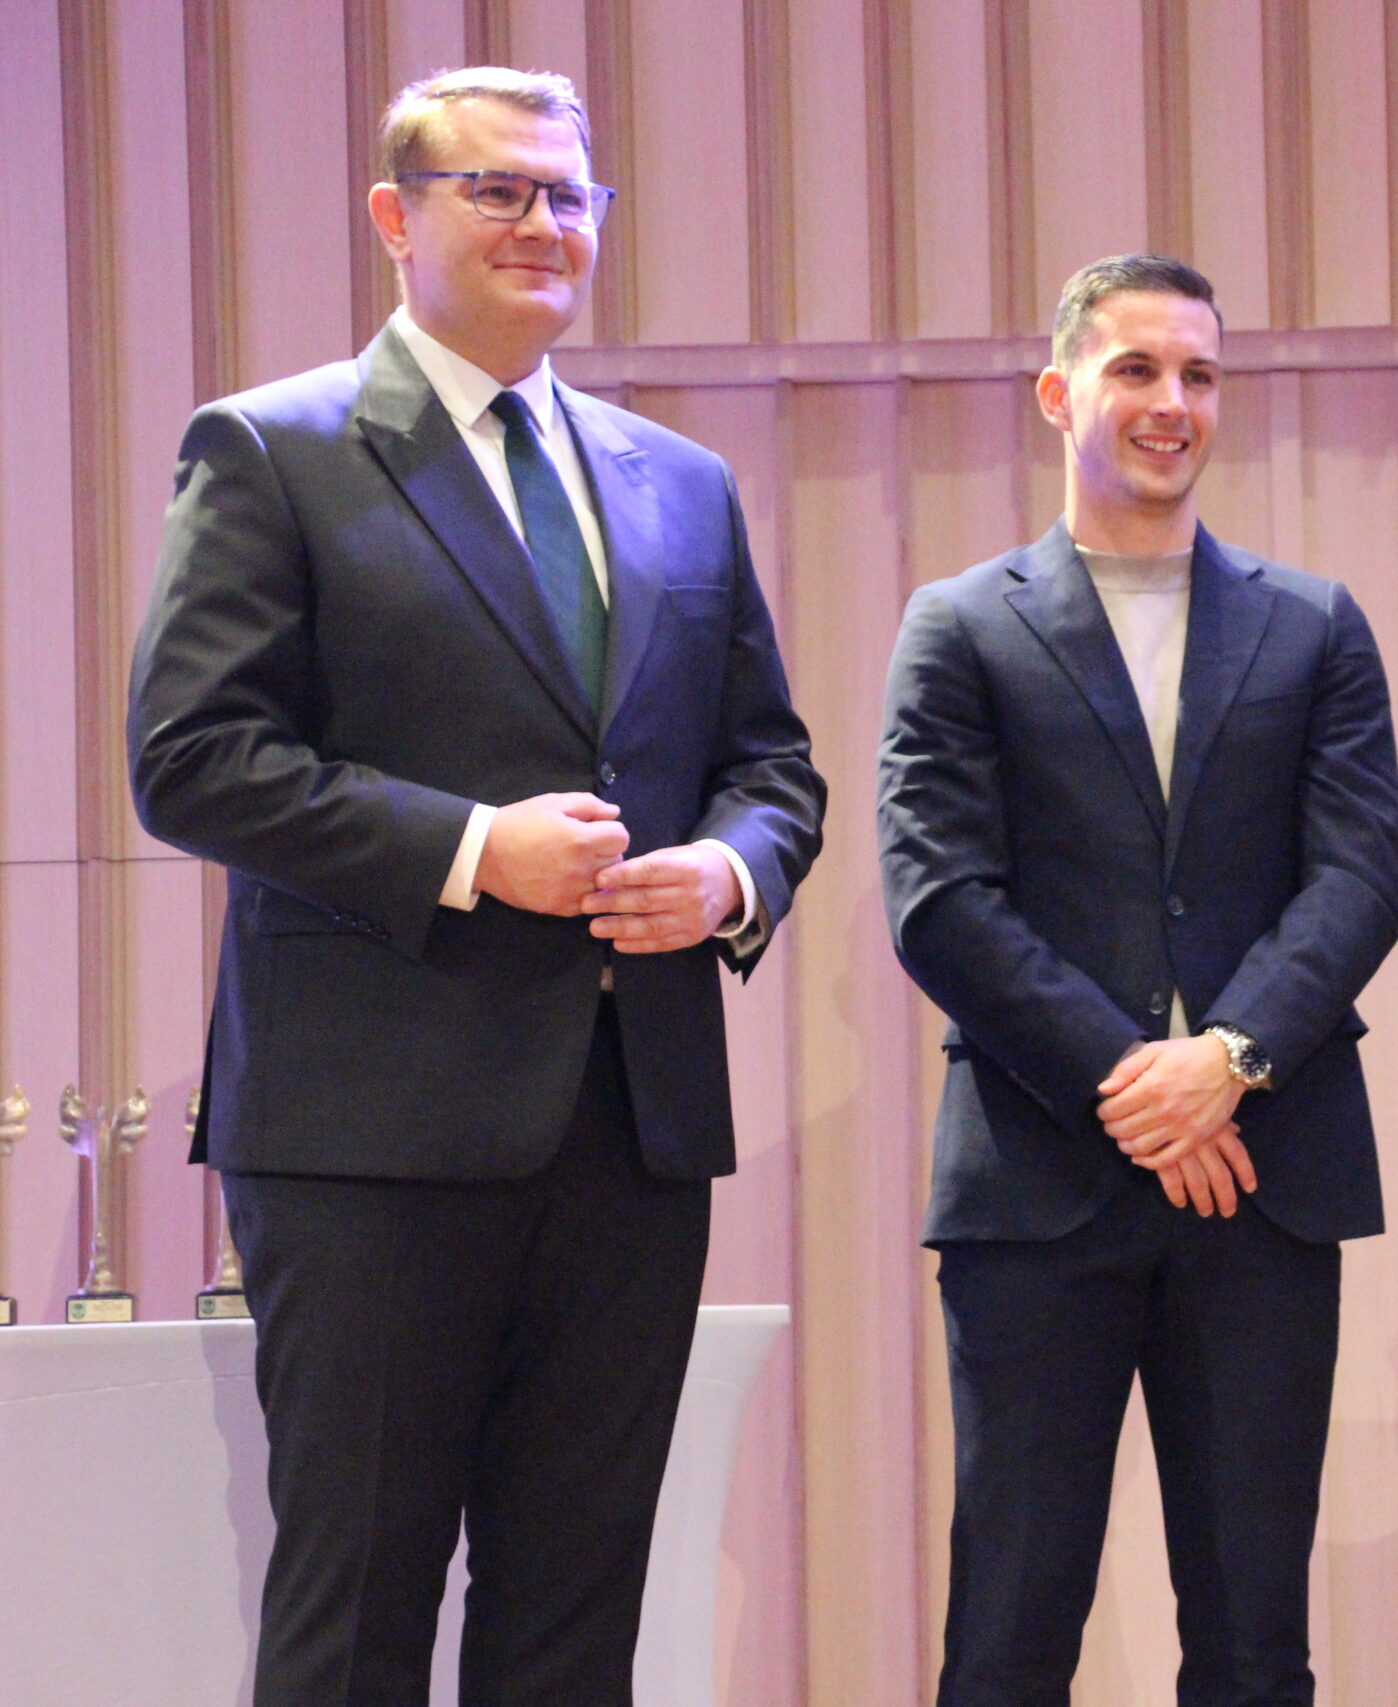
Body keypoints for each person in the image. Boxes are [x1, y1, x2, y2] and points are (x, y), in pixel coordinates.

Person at [127, 67, 825, 1706]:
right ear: (396, 216)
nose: (540, 223)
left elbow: (773, 766)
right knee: (355, 1619)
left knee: (575, 1628)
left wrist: (725, 874)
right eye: (495, 189)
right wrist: (469, 849)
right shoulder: (274, 448)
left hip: (631, 1127)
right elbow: (194, 755)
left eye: (568, 194)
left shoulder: (679, 480)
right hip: (370, 1134)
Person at [876, 253, 1398, 1705]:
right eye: (1137, 369)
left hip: (1264, 1173)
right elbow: (939, 898)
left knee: (1253, 1638)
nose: (1174, 401)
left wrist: (1225, 1060)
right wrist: (1135, 1080)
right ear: (1059, 393)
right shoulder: (960, 623)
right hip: (1039, 1178)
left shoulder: (1313, 623)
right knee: (1009, 1626)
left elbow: (1359, 881)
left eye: (1200, 374)